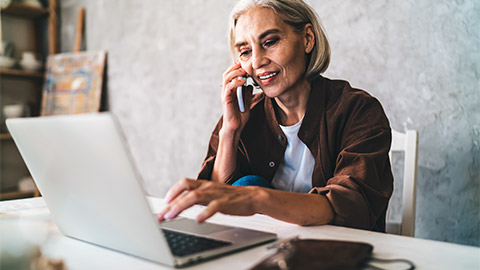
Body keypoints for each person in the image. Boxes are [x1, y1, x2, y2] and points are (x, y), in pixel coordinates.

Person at [158, 0, 393, 232]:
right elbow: (217, 207)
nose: (257, 62)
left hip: (339, 252)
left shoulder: (358, 111)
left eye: (270, 42)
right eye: (245, 51)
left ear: (307, 39)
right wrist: (230, 131)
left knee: (250, 188)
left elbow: (350, 206)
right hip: (270, 252)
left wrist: (259, 199)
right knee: (246, 185)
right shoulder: (245, 112)